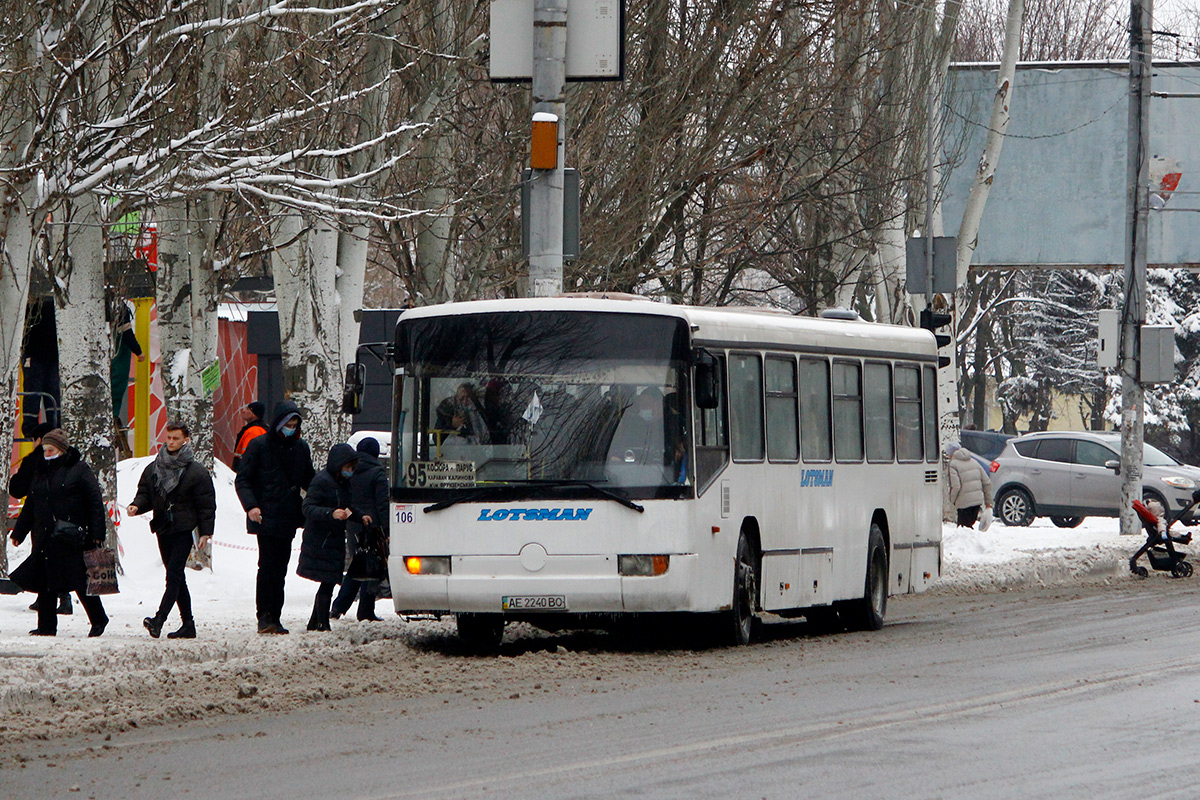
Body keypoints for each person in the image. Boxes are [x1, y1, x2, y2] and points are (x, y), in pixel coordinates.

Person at [8, 428, 109, 637]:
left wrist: (97, 533)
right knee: (46, 580)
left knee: (80, 579)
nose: (46, 453)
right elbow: (31, 504)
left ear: (62, 450)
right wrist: (20, 532)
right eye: (45, 449)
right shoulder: (41, 470)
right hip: (45, 534)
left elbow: (95, 502)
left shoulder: (79, 469)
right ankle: (46, 626)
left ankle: (99, 619)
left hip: (72, 535)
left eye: (50, 449)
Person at [127, 423, 216, 639]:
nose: (171, 442)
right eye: (168, 437)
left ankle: (159, 619)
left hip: (184, 528)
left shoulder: (196, 471)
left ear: (186, 440)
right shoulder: (155, 467)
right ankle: (188, 624)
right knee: (177, 577)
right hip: (163, 527)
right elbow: (146, 493)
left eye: (176, 438)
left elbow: (206, 504)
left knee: (174, 574)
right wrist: (136, 506)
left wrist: (205, 532)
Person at [235, 401, 315, 634]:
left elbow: (309, 479)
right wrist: (251, 506)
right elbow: (243, 479)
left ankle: (275, 616)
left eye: (294, 424)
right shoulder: (259, 445)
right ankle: (265, 615)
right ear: (278, 423)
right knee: (268, 566)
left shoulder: (301, 448)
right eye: (287, 424)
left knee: (280, 568)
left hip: (289, 515)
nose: (290, 428)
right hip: (265, 516)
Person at [10, 422, 74, 616]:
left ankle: (51, 597)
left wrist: (19, 531)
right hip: (66, 520)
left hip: (42, 519)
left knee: (43, 556)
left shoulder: (34, 461)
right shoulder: (72, 461)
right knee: (58, 558)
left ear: (39, 440)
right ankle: (60, 598)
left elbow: (20, 491)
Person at [297, 443, 362, 631]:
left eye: (352, 468)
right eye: (347, 467)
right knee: (328, 580)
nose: (350, 471)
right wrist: (330, 513)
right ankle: (322, 623)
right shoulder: (321, 481)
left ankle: (316, 621)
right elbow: (308, 507)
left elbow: (347, 507)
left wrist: (358, 515)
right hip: (321, 539)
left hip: (334, 538)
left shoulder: (343, 483)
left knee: (329, 580)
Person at [331, 437, 388, 622]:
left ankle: (338, 606)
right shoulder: (377, 472)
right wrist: (387, 530)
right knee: (370, 567)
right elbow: (382, 504)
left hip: (352, 523)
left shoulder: (351, 470)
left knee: (357, 565)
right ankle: (365, 610)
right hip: (371, 526)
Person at [947, 443, 993, 528]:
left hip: (963, 504)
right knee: (968, 529)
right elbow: (986, 482)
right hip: (976, 503)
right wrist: (988, 502)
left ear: (950, 454)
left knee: (963, 530)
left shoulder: (953, 465)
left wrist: (952, 500)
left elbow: (956, 486)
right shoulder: (974, 462)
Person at [232, 401, 267, 471]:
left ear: (254, 414)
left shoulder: (254, 431)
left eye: (248, 409)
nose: (243, 411)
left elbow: (248, 457)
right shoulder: (258, 428)